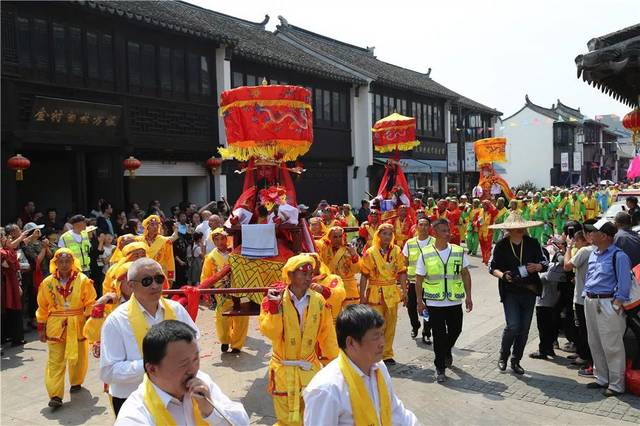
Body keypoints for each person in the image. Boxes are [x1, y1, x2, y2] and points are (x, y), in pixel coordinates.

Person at [100, 258, 199, 416]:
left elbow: (195, 345)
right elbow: (109, 372)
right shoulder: (116, 321)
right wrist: (154, 365)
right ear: (131, 285)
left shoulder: (176, 310)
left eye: (159, 279)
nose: (155, 285)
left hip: (175, 395)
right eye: (146, 281)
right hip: (132, 398)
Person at [115, 320, 249, 425]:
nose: (193, 369)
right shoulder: (135, 415)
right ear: (152, 369)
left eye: (196, 359)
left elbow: (242, 422)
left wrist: (210, 411)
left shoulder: (200, 383)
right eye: (183, 364)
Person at [303, 305, 419, 425]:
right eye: (375, 337)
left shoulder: (379, 368)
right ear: (351, 342)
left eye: (382, 334)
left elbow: (397, 413)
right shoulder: (326, 390)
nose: (382, 343)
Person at [259, 254, 338, 425]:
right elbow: (271, 333)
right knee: (285, 420)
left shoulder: (318, 301)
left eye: (310, 273)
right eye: (303, 273)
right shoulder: (272, 299)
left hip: (309, 368)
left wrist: (334, 363)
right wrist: (275, 311)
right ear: (291, 275)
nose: (308, 278)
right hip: (283, 370)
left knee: (312, 417)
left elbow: (328, 333)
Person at [36, 249, 97, 409]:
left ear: (73, 262)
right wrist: (41, 327)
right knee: (55, 360)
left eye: (67, 261)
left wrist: (89, 320)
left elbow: (91, 302)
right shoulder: (47, 282)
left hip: (77, 323)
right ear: (55, 263)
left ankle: (76, 381)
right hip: (55, 325)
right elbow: (42, 307)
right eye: (60, 261)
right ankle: (55, 395)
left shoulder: (83, 280)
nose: (64, 265)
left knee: (79, 355)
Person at [488, 213, 548, 375]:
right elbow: (492, 268)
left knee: (524, 328)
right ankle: (503, 355)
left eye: (522, 227)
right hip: (510, 291)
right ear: (509, 229)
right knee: (513, 325)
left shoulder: (533, 243)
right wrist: (503, 276)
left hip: (529, 290)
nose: (520, 230)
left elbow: (545, 262)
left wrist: (538, 267)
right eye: (516, 228)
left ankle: (516, 360)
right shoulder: (501, 245)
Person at [415, 218, 472, 382]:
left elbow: (466, 274)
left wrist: (469, 296)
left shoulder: (457, 251)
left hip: (454, 300)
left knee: (456, 330)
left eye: (449, 230)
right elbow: (419, 279)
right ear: (435, 232)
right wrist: (420, 300)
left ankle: (446, 350)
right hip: (434, 302)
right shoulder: (425, 253)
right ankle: (440, 367)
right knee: (439, 335)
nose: (448, 234)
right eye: (444, 231)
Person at [582, 219, 632, 397]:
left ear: (603, 236)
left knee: (612, 346)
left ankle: (617, 385)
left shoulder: (619, 256)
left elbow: (624, 284)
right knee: (594, 342)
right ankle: (601, 378)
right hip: (591, 301)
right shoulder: (594, 253)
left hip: (608, 303)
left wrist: (616, 304)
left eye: (593, 232)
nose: (590, 235)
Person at [359, 223, 407, 365]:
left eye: (390, 234)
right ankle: (372, 352)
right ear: (378, 235)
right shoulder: (370, 252)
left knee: (391, 323)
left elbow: (402, 272)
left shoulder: (397, 251)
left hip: (391, 291)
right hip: (375, 292)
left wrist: (404, 291)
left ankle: (387, 354)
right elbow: (364, 275)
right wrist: (362, 295)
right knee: (375, 325)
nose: (387, 236)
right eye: (384, 233)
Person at [200, 228, 248, 353]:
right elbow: (206, 277)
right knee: (221, 317)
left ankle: (237, 344)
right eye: (217, 239)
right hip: (221, 291)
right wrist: (207, 294)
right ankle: (225, 340)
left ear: (227, 238)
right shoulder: (210, 257)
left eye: (222, 238)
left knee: (241, 317)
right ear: (213, 241)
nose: (220, 241)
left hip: (239, 289)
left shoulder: (236, 253)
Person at [564, 230, 595, 375]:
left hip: (582, 298)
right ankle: (583, 354)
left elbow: (567, 266)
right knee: (585, 330)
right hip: (589, 296)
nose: (575, 243)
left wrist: (568, 248)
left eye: (576, 240)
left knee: (584, 330)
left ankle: (585, 358)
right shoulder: (595, 250)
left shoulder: (584, 250)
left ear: (583, 240)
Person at [402, 217, 433, 342]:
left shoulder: (435, 242)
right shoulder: (409, 243)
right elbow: (405, 262)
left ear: (429, 227)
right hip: (413, 282)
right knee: (411, 307)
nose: (423, 227)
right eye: (421, 225)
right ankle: (415, 326)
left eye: (426, 225)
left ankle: (427, 332)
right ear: (416, 226)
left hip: (430, 282)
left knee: (428, 308)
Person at [316, 226, 361, 307]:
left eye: (340, 236)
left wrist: (354, 255)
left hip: (349, 287)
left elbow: (356, 270)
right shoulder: (324, 249)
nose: (338, 239)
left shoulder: (349, 249)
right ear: (329, 237)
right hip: (331, 285)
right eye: (335, 237)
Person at [1, 227, 25, 347]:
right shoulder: (3, 252)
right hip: (7, 284)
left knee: (13, 310)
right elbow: (9, 265)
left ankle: (13, 337)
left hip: (11, 282)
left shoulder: (6, 251)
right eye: (5, 237)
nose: (8, 239)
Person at [136, 215, 176, 285]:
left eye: (157, 224)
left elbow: (170, 259)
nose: (155, 227)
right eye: (152, 224)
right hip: (143, 273)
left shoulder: (165, 241)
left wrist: (170, 277)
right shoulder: (138, 240)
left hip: (159, 273)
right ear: (147, 226)